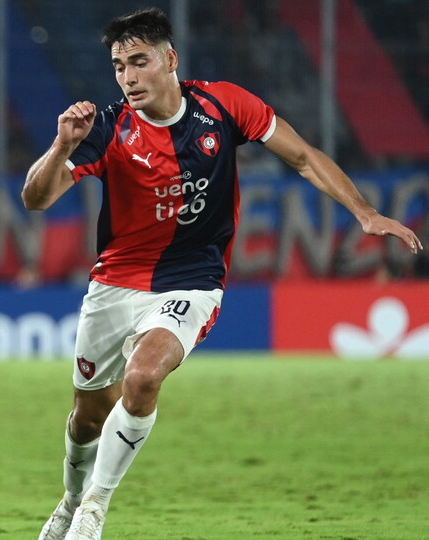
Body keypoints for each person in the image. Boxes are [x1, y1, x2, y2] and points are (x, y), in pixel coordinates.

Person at [22, 8, 424, 540]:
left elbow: (303, 157)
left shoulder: (223, 105)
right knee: (86, 419)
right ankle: (71, 500)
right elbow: (36, 199)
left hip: (193, 281)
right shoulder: (107, 126)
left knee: (142, 378)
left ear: (170, 60)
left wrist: (365, 213)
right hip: (115, 285)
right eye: (119, 67)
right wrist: (61, 147)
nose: (128, 77)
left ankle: (94, 509)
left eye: (139, 62)